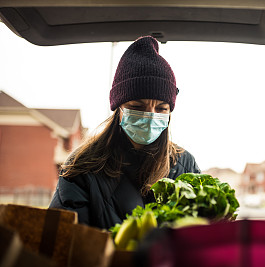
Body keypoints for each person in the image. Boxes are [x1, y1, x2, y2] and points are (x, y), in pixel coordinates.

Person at [49, 36, 201, 230]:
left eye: (161, 109)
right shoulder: (81, 167)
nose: (150, 116)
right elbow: (65, 241)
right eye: (138, 106)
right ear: (118, 108)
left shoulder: (185, 165)